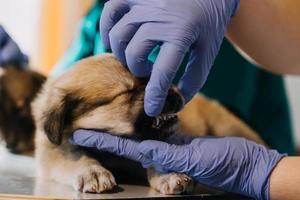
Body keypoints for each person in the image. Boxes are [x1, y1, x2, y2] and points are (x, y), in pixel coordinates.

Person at [71, 1, 300, 200]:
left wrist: (261, 172)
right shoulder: (105, 11)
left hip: (256, 166)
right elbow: (66, 84)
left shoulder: (201, 25)